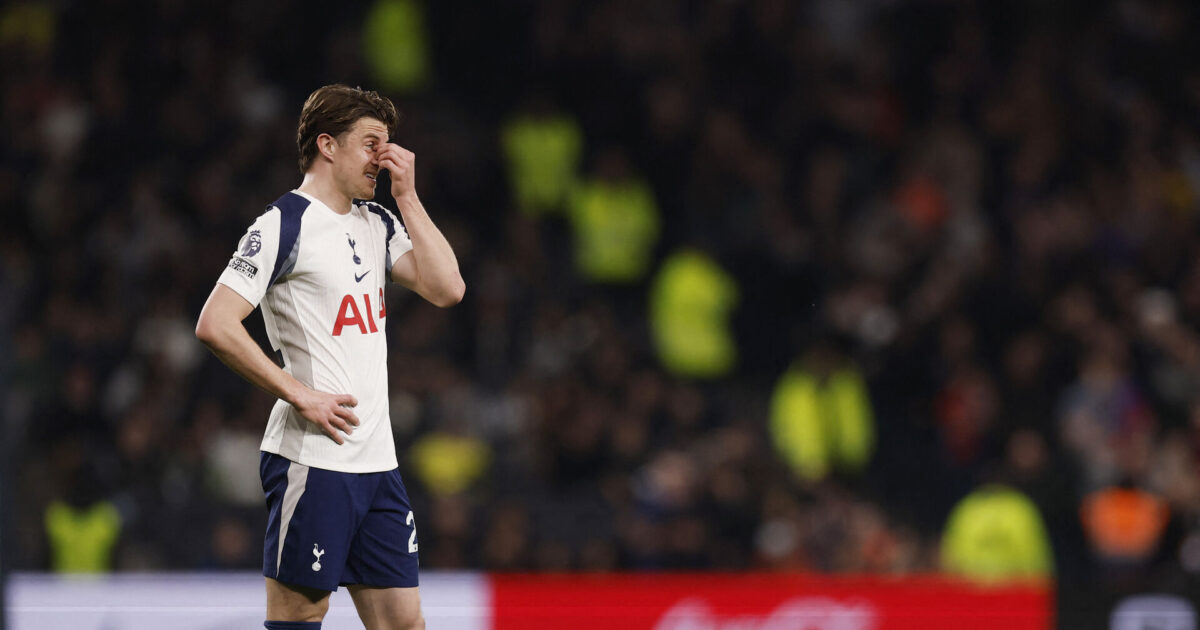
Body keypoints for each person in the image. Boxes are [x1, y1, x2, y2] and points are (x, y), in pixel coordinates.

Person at [195, 84, 464, 630]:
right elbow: (215, 323)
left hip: (378, 465)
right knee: (300, 618)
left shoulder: (378, 221)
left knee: (404, 624)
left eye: (386, 145)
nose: (381, 159)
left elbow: (448, 288)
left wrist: (407, 197)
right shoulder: (283, 224)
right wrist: (300, 394)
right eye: (370, 144)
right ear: (327, 145)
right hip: (313, 461)